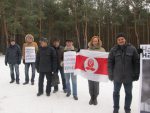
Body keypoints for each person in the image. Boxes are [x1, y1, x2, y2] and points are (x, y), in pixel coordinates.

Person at [108, 33, 140, 113]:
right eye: (119, 39)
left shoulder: (132, 49)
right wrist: (110, 73)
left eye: (122, 39)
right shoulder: (113, 50)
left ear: (125, 39)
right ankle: (116, 108)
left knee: (128, 94)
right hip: (117, 77)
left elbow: (136, 62)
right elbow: (110, 63)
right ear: (117, 41)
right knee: (116, 93)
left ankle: (127, 109)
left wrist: (136, 73)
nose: (120, 41)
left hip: (128, 77)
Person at [88, 36, 105, 105]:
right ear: (92, 41)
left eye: (96, 41)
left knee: (96, 84)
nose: (95, 42)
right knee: (90, 84)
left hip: (98, 70)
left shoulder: (102, 49)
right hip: (90, 70)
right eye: (94, 41)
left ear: (98, 41)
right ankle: (91, 97)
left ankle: (95, 98)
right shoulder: (88, 49)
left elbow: (104, 60)